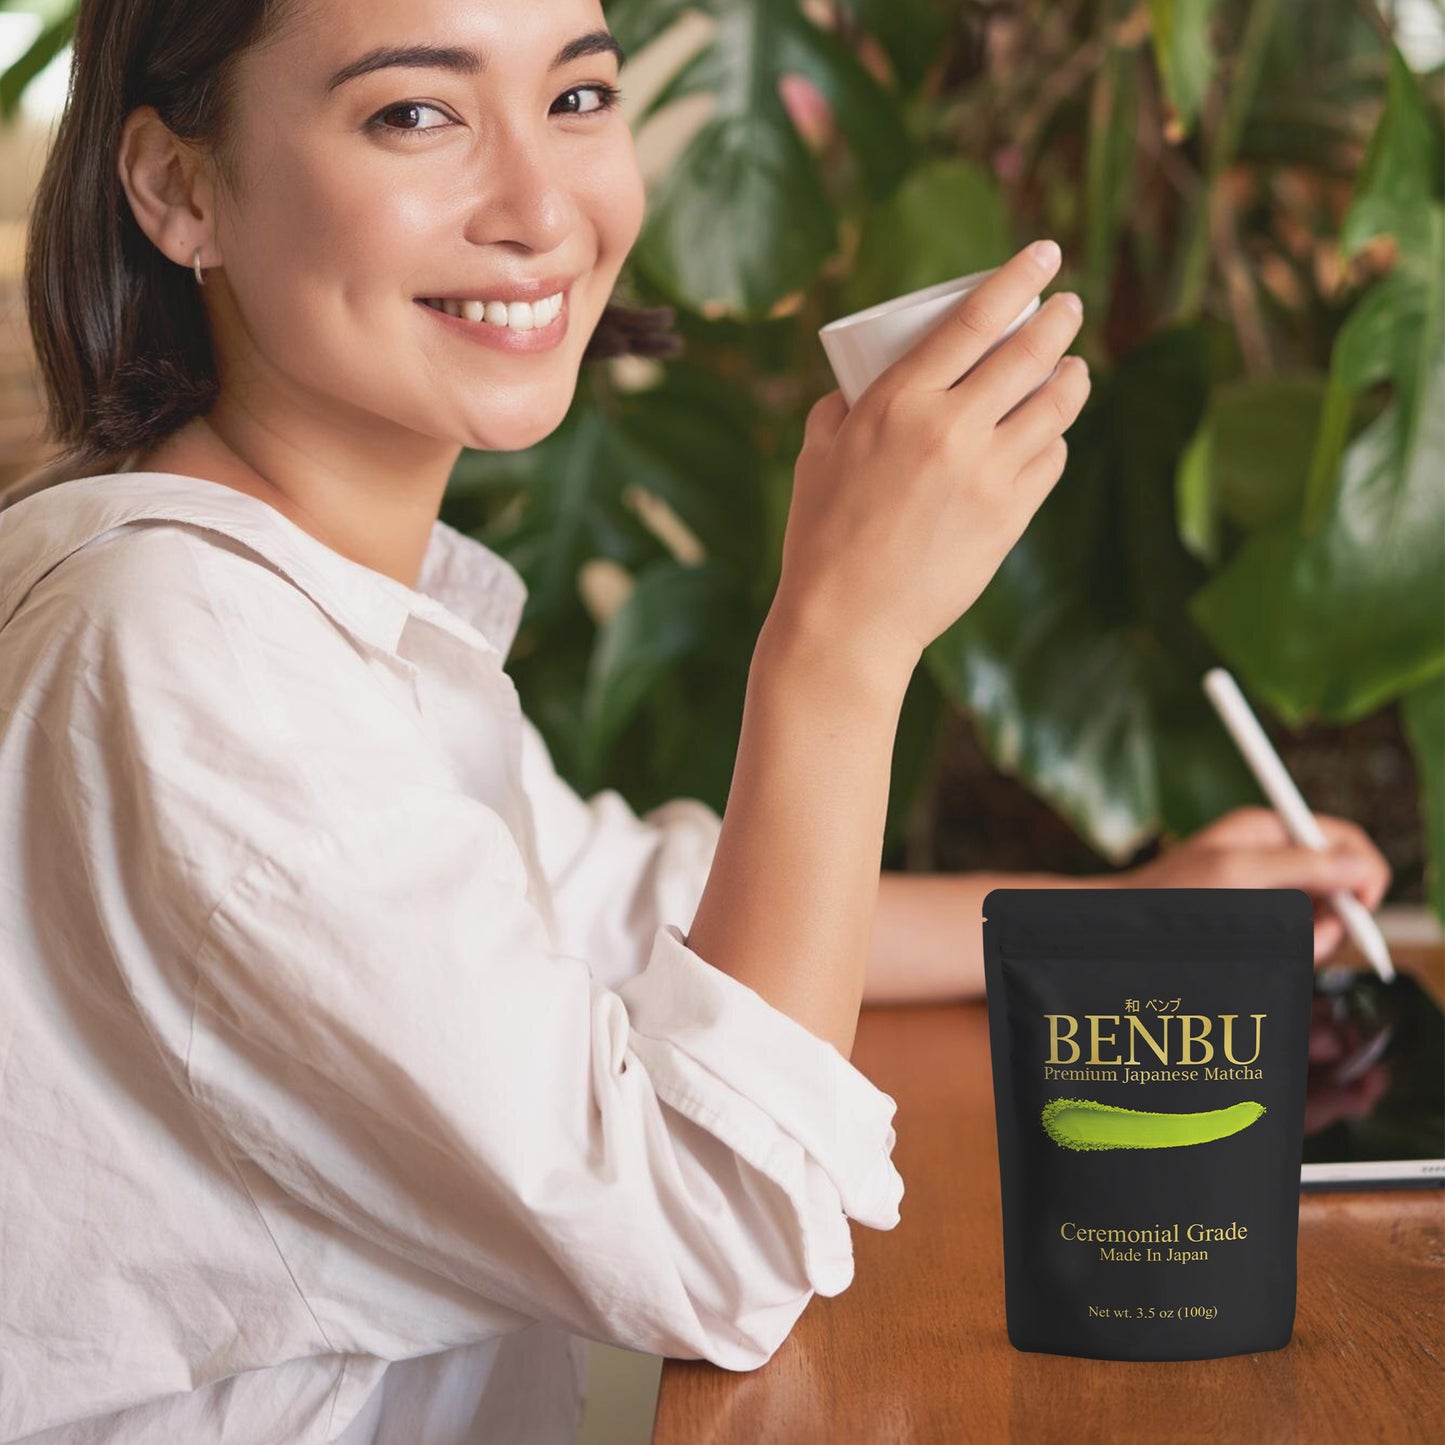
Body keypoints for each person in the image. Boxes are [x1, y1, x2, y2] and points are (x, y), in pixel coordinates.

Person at [0, 0, 1391, 1440]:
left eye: (580, 98)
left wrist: (1112, 912)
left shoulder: (283, 597)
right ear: (177, 188)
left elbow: (619, 906)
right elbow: (715, 1241)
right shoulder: (188, 651)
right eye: (416, 114)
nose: (541, 208)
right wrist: (839, 643)